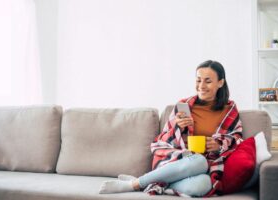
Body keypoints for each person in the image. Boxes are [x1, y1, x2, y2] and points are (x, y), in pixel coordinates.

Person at [99, 60, 243, 197]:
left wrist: (219, 145)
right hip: (177, 159)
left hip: (208, 165)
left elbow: (236, 139)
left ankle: (155, 181)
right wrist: (177, 128)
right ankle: (135, 184)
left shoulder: (229, 109)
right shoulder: (184, 105)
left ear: (220, 83)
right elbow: (165, 138)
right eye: (198, 80)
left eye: (208, 81)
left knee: (203, 184)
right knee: (199, 161)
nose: (201, 85)